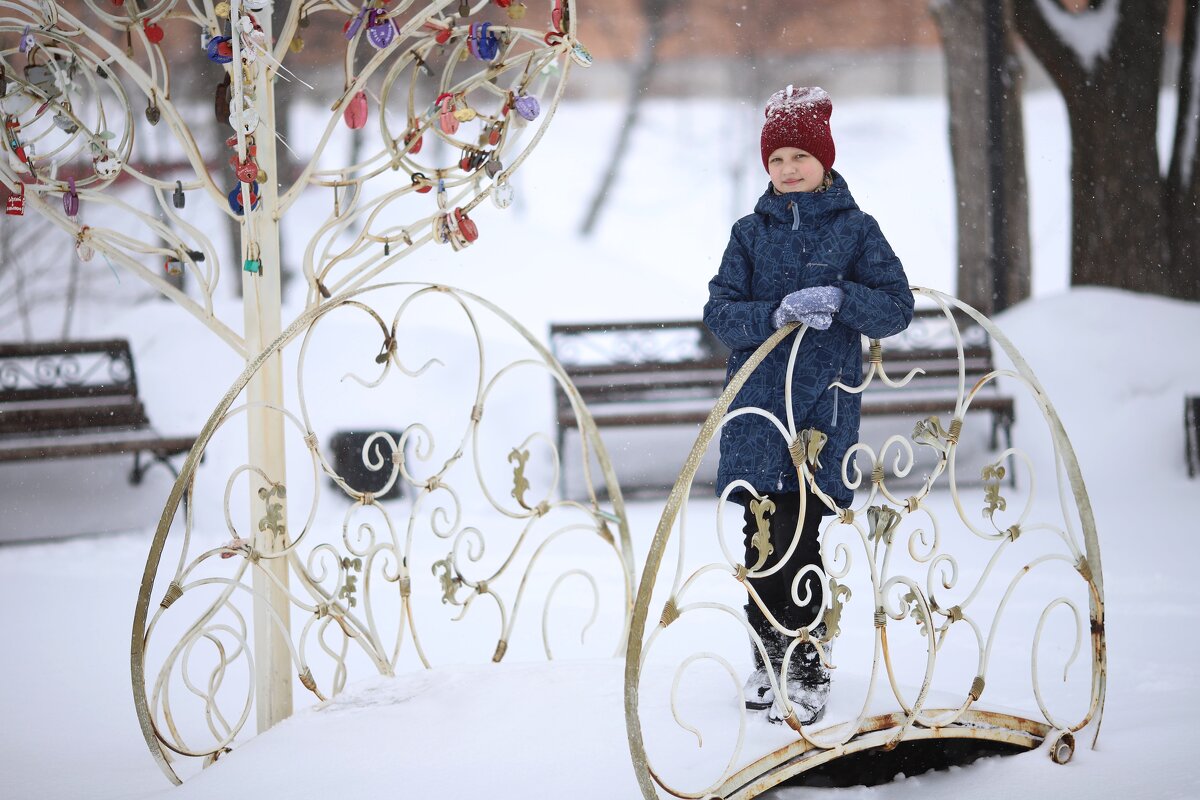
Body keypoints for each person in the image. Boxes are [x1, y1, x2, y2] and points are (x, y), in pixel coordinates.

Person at [702, 85, 914, 726]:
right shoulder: (748, 234)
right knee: (761, 541)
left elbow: (897, 306)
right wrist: (774, 313)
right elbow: (719, 312)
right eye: (776, 160)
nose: (788, 169)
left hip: (820, 416)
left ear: (824, 159)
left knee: (803, 538)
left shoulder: (856, 231)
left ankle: (806, 662)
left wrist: (843, 297)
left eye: (800, 156)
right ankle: (768, 656)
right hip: (757, 414)